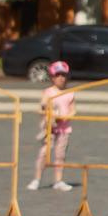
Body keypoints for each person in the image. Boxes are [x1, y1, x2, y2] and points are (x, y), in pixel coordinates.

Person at [28, 60, 77, 192]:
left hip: (64, 128)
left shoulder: (70, 92)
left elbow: (73, 110)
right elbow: (42, 107)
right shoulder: (48, 92)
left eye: (63, 75)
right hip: (49, 127)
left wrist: (66, 116)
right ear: (52, 77)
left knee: (60, 155)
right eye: (58, 75)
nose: (61, 78)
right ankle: (36, 179)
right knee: (44, 153)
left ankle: (58, 180)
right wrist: (48, 112)